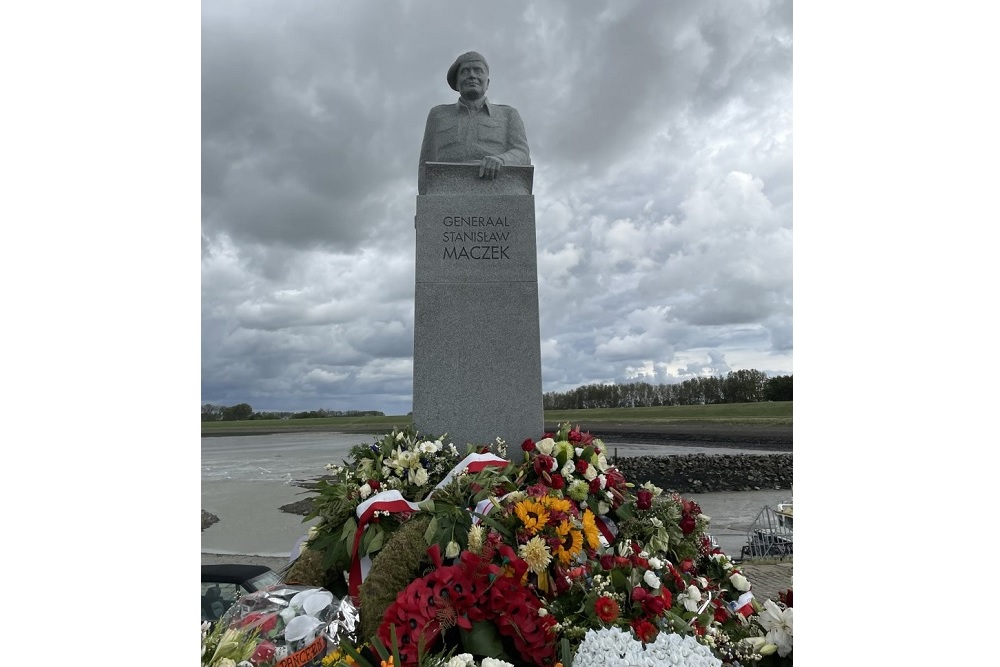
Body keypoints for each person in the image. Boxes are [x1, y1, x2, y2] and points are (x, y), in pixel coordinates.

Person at [418, 51, 531, 194]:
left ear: (487, 83)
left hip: (499, 185)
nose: (472, 75)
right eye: (465, 71)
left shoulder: (508, 114)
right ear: (457, 83)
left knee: (517, 195)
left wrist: (501, 160)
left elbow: (522, 153)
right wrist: (423, 204)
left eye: (478, 71)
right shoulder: (438, 115)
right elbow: (425, 163)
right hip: (447, 187)